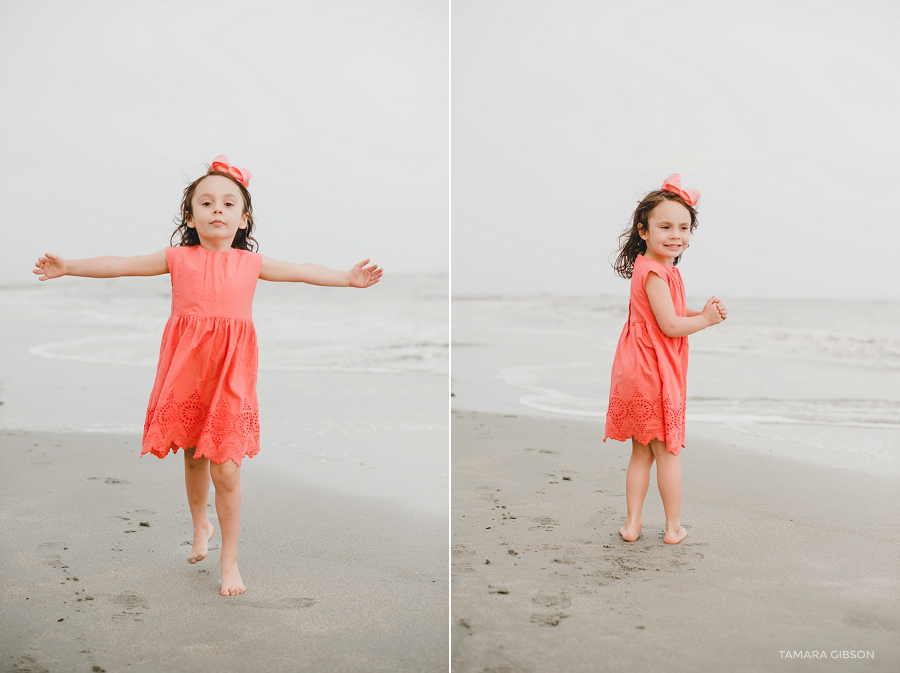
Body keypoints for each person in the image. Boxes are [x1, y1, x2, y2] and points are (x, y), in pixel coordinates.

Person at [33, 155, 383, 595]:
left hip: (232, 372)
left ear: (243, 217)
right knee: (194, 452)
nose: (217, 209)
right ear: (190, 214)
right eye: (206, 202)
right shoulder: (177, 258)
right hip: (187, 368)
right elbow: (120, 263)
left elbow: (304, 272)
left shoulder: (252, 264)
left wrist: (346, 279)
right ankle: (201, 522)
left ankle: (230, 561)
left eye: (228, 203)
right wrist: (70, 267)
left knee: (228, 469)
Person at [603, 174, 725, 544]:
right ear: (644, 230)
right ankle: (672, 528)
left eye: (684, 227)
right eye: (665, 226)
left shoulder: (658, 268)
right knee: (666, 451)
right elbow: (671, 326)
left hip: (637, 366)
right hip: (651, 369)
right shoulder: (656, 272)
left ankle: (633, 524)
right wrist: (705, 320)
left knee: (642, 451)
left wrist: (699, 312)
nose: (676, 235)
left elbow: (667, 313)